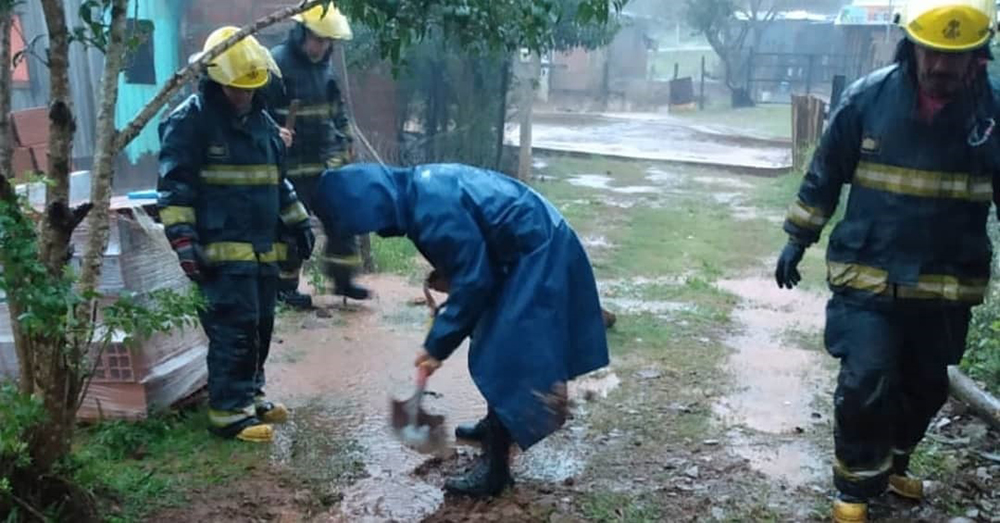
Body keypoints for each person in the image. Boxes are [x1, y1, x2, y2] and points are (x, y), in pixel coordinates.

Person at [774, 1, 1000, 520]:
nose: (942, 69)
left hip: (946, 286)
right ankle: (855, 488)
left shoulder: (993, 117)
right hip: (868, 278)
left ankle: (894, 462)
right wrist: (797, 238)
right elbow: (824, 174)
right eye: (933, 55)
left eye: (956, 58)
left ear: (977, 57)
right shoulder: (866, 101)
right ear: (912, 47)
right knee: (864, 380)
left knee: (925, 387)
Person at [314, 163, 610, 497]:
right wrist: (448, 272)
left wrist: (436, 346)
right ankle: (495, 426)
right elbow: (471, 256)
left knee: (502, 354)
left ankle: (495, 472)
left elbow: (474, 281)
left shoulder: (429, 209)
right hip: (524, 247)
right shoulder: (416, 193)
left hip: (539, 249)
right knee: (491, 333)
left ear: (368, 206)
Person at [158, 27, 315, 443]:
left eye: (250, 89)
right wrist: (185, 243)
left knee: (261, 325)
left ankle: (252, 394)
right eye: (236, 90)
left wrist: (298, 221)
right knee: (233, 329)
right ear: (214, 79)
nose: (244, 96)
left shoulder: (262, 123)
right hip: (220, 252)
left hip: (262, 250)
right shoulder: (189, 122)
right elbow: (175, 190)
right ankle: (228, 411)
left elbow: (276, 182)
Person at [264, 2, 369, 308]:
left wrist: (347, 138)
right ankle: (285, 289)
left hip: (325, 165)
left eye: (328, 42)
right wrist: (275, 134)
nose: (323, 47)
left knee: (342, 219)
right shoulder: (276, 64)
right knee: (292, 230)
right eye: (319, 40)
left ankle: (344, 280)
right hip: (290, 168)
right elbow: (258, 112)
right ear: (302, 33)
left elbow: (337, 111)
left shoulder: (325, 68)